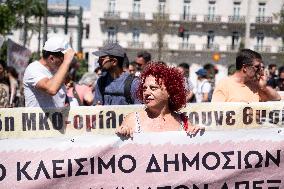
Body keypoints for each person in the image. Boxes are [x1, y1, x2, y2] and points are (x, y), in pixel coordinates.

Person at [116, 63, 202, 137]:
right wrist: (123, 132)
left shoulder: (184, 121)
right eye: (144, 88)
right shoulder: (132, 120)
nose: (146, 93)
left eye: (153, 88)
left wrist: (197, 134)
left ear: (169, 91)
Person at [23, 35, 75, 108]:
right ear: (52, 58)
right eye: (62, 59)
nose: (63, 63)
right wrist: (66, 61)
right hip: (38, 119)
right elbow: (51, 89)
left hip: (57, 118)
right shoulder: (33, 69)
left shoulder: (56, 68)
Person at [212, 49, 280, 102]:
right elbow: (216, 113)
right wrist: (238, 109)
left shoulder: (255, 85)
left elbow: (277, 98)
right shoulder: (224, 84)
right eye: (257, 67)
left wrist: (264, 88)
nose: (260, 70)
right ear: (245, 68)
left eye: (261, 67)